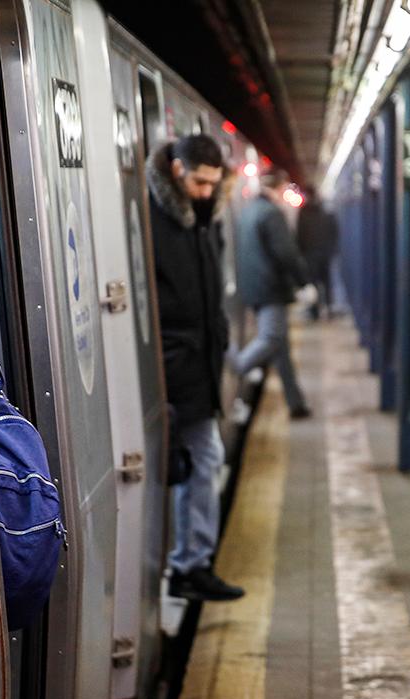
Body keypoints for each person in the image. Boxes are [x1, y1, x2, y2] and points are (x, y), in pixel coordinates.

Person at [148, 134, 244, 602]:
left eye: (214, 184)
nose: (207, 192)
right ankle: (188, 565)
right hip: (175, 364)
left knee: (200, 461)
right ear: (177, 169)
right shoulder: (154, 215)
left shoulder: (203, 217)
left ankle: (191, 561)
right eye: (200, 183)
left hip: (197, 362)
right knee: (202, 461)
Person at [231, 167, 313, 419]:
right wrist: (304, 283)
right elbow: (286, 253)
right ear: (277, 187)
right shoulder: (271, 214)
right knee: (271, 338)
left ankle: (295, 403)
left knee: (281, 348)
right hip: (270, 289)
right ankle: (236, 365)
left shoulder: (249, 211)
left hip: (254, 288)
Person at [296, 196, 339, 321]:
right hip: (325, 254)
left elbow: (300, 235)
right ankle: (329, 307)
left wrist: (301, 253)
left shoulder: (304, 214)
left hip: (310, 254)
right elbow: (334, 232)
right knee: (327, 282)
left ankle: (314, 311)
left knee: (313, 283)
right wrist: (331, 250)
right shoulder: (327, 214)